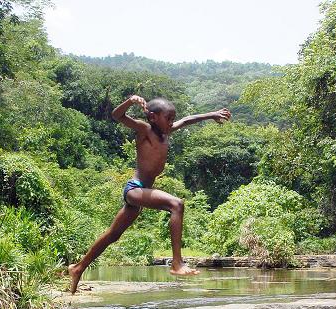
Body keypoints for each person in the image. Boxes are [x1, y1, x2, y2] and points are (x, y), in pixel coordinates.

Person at [68, 95, 231, 293]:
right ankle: (177, 263)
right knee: (176, 204)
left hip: (141, 192)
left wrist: (212, 114)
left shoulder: (167, 132)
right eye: (168, 119)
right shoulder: (144, 129)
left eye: (172, 119)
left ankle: (78, 268)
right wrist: (130, 101)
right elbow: (117, 115)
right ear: (153, 117)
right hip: (135, 189)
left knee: (113, 235)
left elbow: (188, 120)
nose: (171, 123)